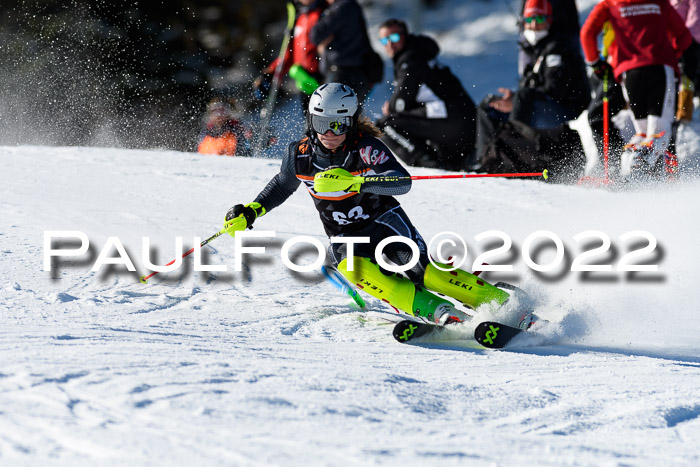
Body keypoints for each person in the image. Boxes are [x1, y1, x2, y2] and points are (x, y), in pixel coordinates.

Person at [222, 83, 524, 327]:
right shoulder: (298, 154)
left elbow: (401, 181)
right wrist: (251, 211)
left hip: (384, 223)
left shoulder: (366, 149)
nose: (328, 133)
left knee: (425, 273)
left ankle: (503, 303)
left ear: (351, 123)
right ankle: (440, 313)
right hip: (344, 236)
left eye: (338, 125)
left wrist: (357, 182)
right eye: (321, 123)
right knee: (355, 271)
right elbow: (282, 185)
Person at [581, 0, 692, 179]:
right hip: (660, 70)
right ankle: (658, 181)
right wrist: (674, 55)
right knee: (659, 134)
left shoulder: (610, 3)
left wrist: (595, 63)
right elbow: (684, 37)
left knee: (642, 134)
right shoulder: (660, 2)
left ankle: (629, 179)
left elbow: (587, 33)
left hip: (629, 75)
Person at [476, 0, 590, 162]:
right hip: (538, 104)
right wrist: (513, 98)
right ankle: (485, 160)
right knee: (488, 106)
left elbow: (554, 90)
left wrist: (517, 101)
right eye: (529, 20)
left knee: (523, 97)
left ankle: (522, 158)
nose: (534, 24)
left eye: (540, 20)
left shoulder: (558, 49)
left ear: (549, 21)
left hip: (566, 110)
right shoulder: (532, 48)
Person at [375, 19, 477, 171]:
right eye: (384, 40)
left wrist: (390, 106)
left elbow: (400, 104)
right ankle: (447, 162)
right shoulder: (419, 53)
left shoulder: (410, 60)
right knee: (412, 116)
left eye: (394, 37)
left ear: (405, 35)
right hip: (465, 123)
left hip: (454, 123)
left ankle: (430, 165)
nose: (389, 44)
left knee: (384, 124)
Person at [253, 0, 326, 115]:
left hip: (325, 82)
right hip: (306, 83)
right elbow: (290, 54)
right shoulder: (300, 17)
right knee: (312, 127)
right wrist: (271, 73)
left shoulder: (324, 14)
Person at [310, 0, 379, 103]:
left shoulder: (342, 6)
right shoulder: (349, 5)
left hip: (344, 74)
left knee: (335, 115)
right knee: (349, 115)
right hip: (354, 71)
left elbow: (315, 35)